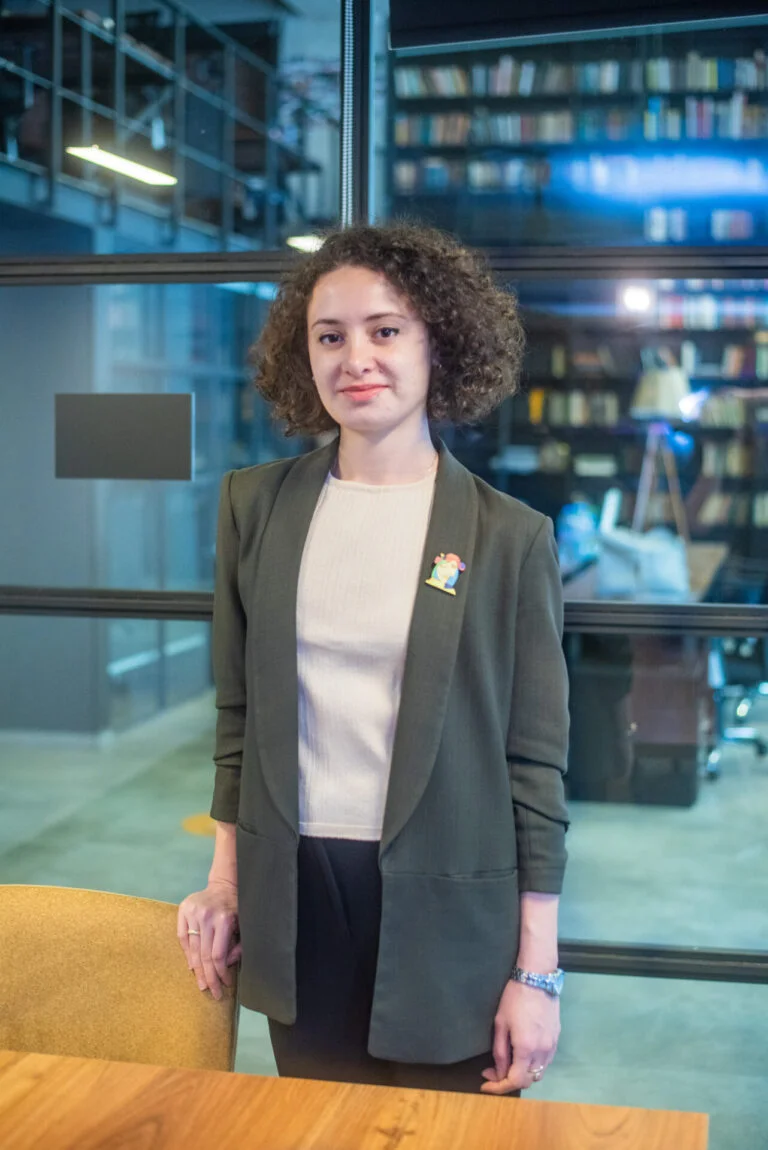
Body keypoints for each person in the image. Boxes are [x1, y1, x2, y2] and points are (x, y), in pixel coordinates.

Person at [178, 221, 570, 1097]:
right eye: (331, 335)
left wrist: (536, 971)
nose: (357, 356)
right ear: (304, 357)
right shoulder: (256, 506)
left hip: (450, 909)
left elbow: (534, 767)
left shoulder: (508, 538)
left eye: (385, 330)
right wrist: (225, 881)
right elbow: (239, 718)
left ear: (441, 345)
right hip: (299, 898)